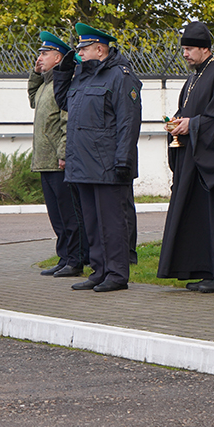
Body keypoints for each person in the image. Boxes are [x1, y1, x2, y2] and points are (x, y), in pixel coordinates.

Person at [157, 22, 214, 292]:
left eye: (189, 49)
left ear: (205, 49)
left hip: (212, 162)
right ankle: (204, 269)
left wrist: (192, 125)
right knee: (197, 219)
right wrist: (177, 122)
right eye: (183, 49)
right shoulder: (195, 76)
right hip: (192, 158)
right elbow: (190, 108)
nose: (185, 54)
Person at [54, 23, 141, 292]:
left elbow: (128, 120)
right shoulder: (82, 76)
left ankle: (116, 273)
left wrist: (123, 160)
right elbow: (64, 102)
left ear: (100, 49)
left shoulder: (120, 76)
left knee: (112, 222)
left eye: (83, 48)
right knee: (91, 222)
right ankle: (99, 270)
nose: (79, 53)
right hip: (83, 162)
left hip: (107, 163)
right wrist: (65, 70)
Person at [29, 31, 88, 277]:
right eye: (40, 53)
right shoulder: (45, 85)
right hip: (44, 161)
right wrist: (35, 73)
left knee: (69, 216)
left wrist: (63, 154)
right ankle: (64, 257)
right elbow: (32, 100)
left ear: (58, 57)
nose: (40, 57)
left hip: (58, 161)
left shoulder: (61, 86)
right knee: (56, 217)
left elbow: (66, 122)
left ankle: (75, 260)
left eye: (45, 54)